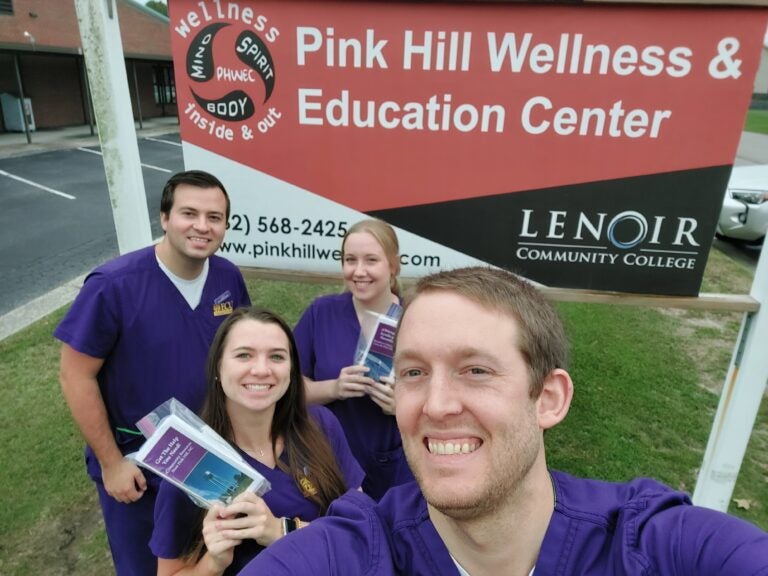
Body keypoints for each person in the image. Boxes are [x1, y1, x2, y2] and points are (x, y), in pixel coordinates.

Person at [239, 266, 768, 575]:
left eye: (475, 370)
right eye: (415, 372)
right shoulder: (354, 551)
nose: (437, 405)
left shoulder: (648, 547)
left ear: (549, 399)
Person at [55, 170, 251, 576]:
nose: (202, 226)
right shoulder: (113, 285)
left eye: (214, 217)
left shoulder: (227, 277)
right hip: (142, 471)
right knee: (146, 567)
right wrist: (112, 464)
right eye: (189, 213)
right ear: (164, 218)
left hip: (212, 463)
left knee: (216, 562)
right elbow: (75, 375)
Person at [150, 307, 364, 576]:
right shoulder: (190, 463)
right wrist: (213, 564)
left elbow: (364, 527)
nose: (261, 370)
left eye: (276, 356)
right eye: (244, 355)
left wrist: (281, 531)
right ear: (217, 367)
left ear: (291, 371)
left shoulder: (320, 425)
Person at [293, 218, 414, 500]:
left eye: (371, 260)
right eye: (350, 260)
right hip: (328, 457)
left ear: (393, 265)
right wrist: (333, 388)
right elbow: (285, 388)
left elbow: (443, 394)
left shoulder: (416, 317)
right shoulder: (321, 313)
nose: (359, 271)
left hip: (396, 462)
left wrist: (403, 405)